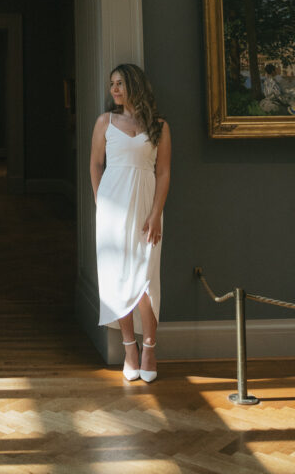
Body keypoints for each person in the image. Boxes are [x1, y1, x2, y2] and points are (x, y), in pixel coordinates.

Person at [90, 63, 171, 383]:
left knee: (146, 280)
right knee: (117, 278)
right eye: (112, 84)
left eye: (120, 83)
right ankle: (130, 349)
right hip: (112, 207)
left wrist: (155, 213)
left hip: (146, 206)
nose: (114, 89)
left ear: (135, 85)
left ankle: (150, 347)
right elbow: (96, 165)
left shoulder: (160, 126)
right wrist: (101, 203)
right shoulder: (105, 122)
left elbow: (163, 172)